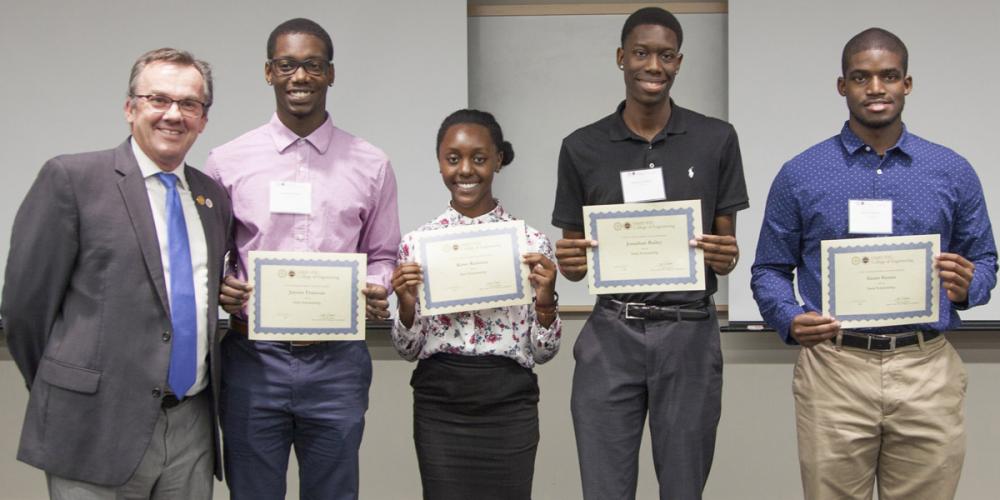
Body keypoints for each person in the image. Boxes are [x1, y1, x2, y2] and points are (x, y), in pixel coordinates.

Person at [751, 28, 998, 500]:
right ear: (842, 86)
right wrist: (788, 316)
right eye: (861, 77)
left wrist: (970, 286)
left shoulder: (951, 170)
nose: (876, 88)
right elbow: (769, 268)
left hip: (926, 366)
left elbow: (984, 257)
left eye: (888, 76)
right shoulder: (800, 173)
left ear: (907, 83)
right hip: (835, 367)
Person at [1, 48, 230, 499]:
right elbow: (25, 311)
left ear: (203, 119)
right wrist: (68, 389)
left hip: (192, 428)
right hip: (95, 425)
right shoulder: (72, 179)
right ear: (130, 108)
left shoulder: (212, 198)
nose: (173, 114)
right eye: (158, 99)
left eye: (189, 104)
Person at [550, 7, 749, 500]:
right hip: (610, 333)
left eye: (665, 55)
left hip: (688, 333)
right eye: (641, 53)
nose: (652, 66)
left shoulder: (716, 138)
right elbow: (573, 261)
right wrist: (569, 264)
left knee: (683, 489)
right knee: (604, 488)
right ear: (621, 58)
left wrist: (726, 255)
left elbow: (725, 249)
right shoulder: (581, 147)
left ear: (679, 62)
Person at [204, 18, 400, 500]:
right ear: (268, 72)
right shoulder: (226, 162)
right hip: (254, 360)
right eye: (287, 65)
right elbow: (211, 258)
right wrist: (223, 285)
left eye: (312, 65)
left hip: (337, 364)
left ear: (330, 74)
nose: (300, 76)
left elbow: (383, 254)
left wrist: (379, 284)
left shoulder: (371, 163)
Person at [390, 109, 561, 499]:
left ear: (498, 160)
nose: (465, 170)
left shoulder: (530, 244)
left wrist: (547, 299)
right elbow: (407, 350)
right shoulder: (417, 246)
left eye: (479, 158)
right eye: (453, 159)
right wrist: (405, 305)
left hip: (509, 402)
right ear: (439, 163)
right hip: (440, 403)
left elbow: (545, 351)